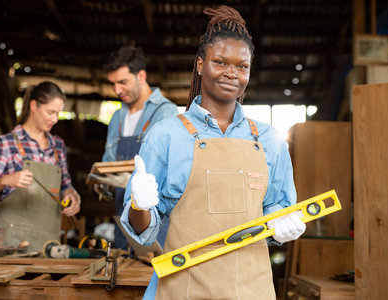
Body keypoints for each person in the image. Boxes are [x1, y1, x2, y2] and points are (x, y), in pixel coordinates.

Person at [120, 6, 306, 300]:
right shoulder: (166, 135)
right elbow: (140, 228)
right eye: (220, 62)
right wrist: (139, 205)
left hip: (251, 289)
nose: (231, 73)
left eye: (242, 66)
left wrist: (283, 226)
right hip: (183, 288)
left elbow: (277, 212)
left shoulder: (269, 140)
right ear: (199, 64)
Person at [0, 81, 81, 253]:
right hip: (12, 245)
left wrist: (72, 195)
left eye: (58, 113)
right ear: (34, 106)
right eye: (50, 112)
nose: (55, 119)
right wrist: (4, 181)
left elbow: (65, 186)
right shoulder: (7, 144)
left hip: (48, 245)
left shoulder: (57, 146)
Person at [100, 45, 178, 250]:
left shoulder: (165, 112)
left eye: (123, 82)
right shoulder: (117, 117)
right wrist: (103, 182)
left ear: (141, 76)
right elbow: (108, 164)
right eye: (113, 84)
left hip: (154, 224)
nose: (117, 90)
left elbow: (173, 174)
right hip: (122, 220)